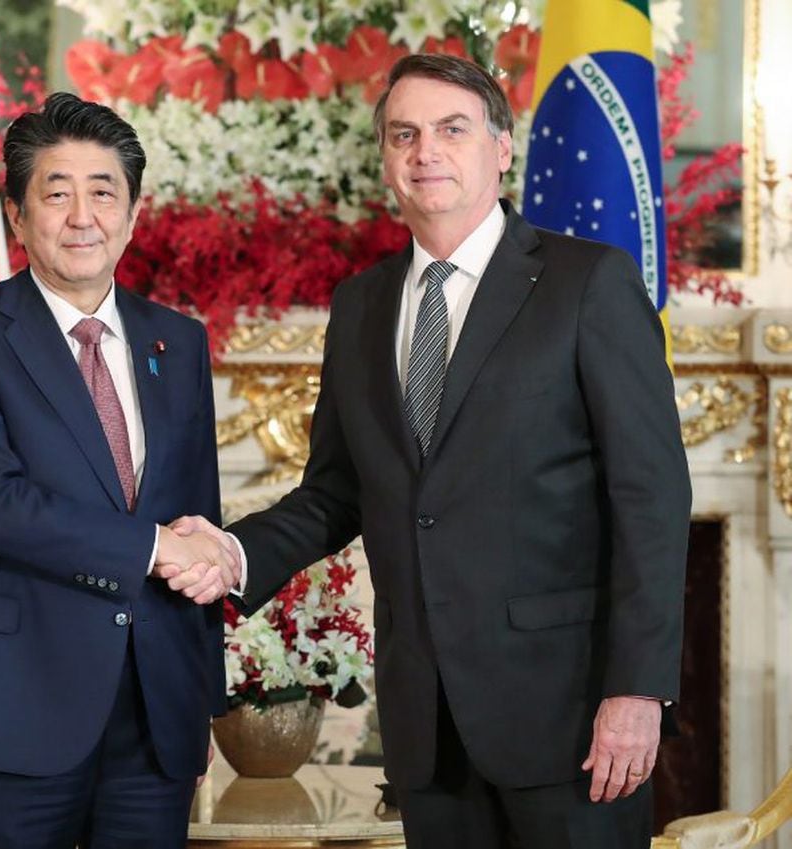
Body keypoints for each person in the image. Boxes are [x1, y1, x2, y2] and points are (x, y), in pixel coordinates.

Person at [167, 54, 691, 848]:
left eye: (452, 130)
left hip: (571, 720)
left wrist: (637, 690)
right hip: (427, 729)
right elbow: (336, 490)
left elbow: (650, 500)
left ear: (501, 146)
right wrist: (231, 551)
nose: (425, 153)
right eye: (403, 134)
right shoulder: (362, 304)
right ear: (385, 158)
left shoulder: (587, 284)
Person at [0, 92, 238, 849]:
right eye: (56, 193)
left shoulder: (178, 342)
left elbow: (196, 512)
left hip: (156, 717)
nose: (81, 215)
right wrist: (159, 548)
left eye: (103, 192)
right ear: (16, 215)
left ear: (132, 213)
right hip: (19, 707)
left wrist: (201, 694)